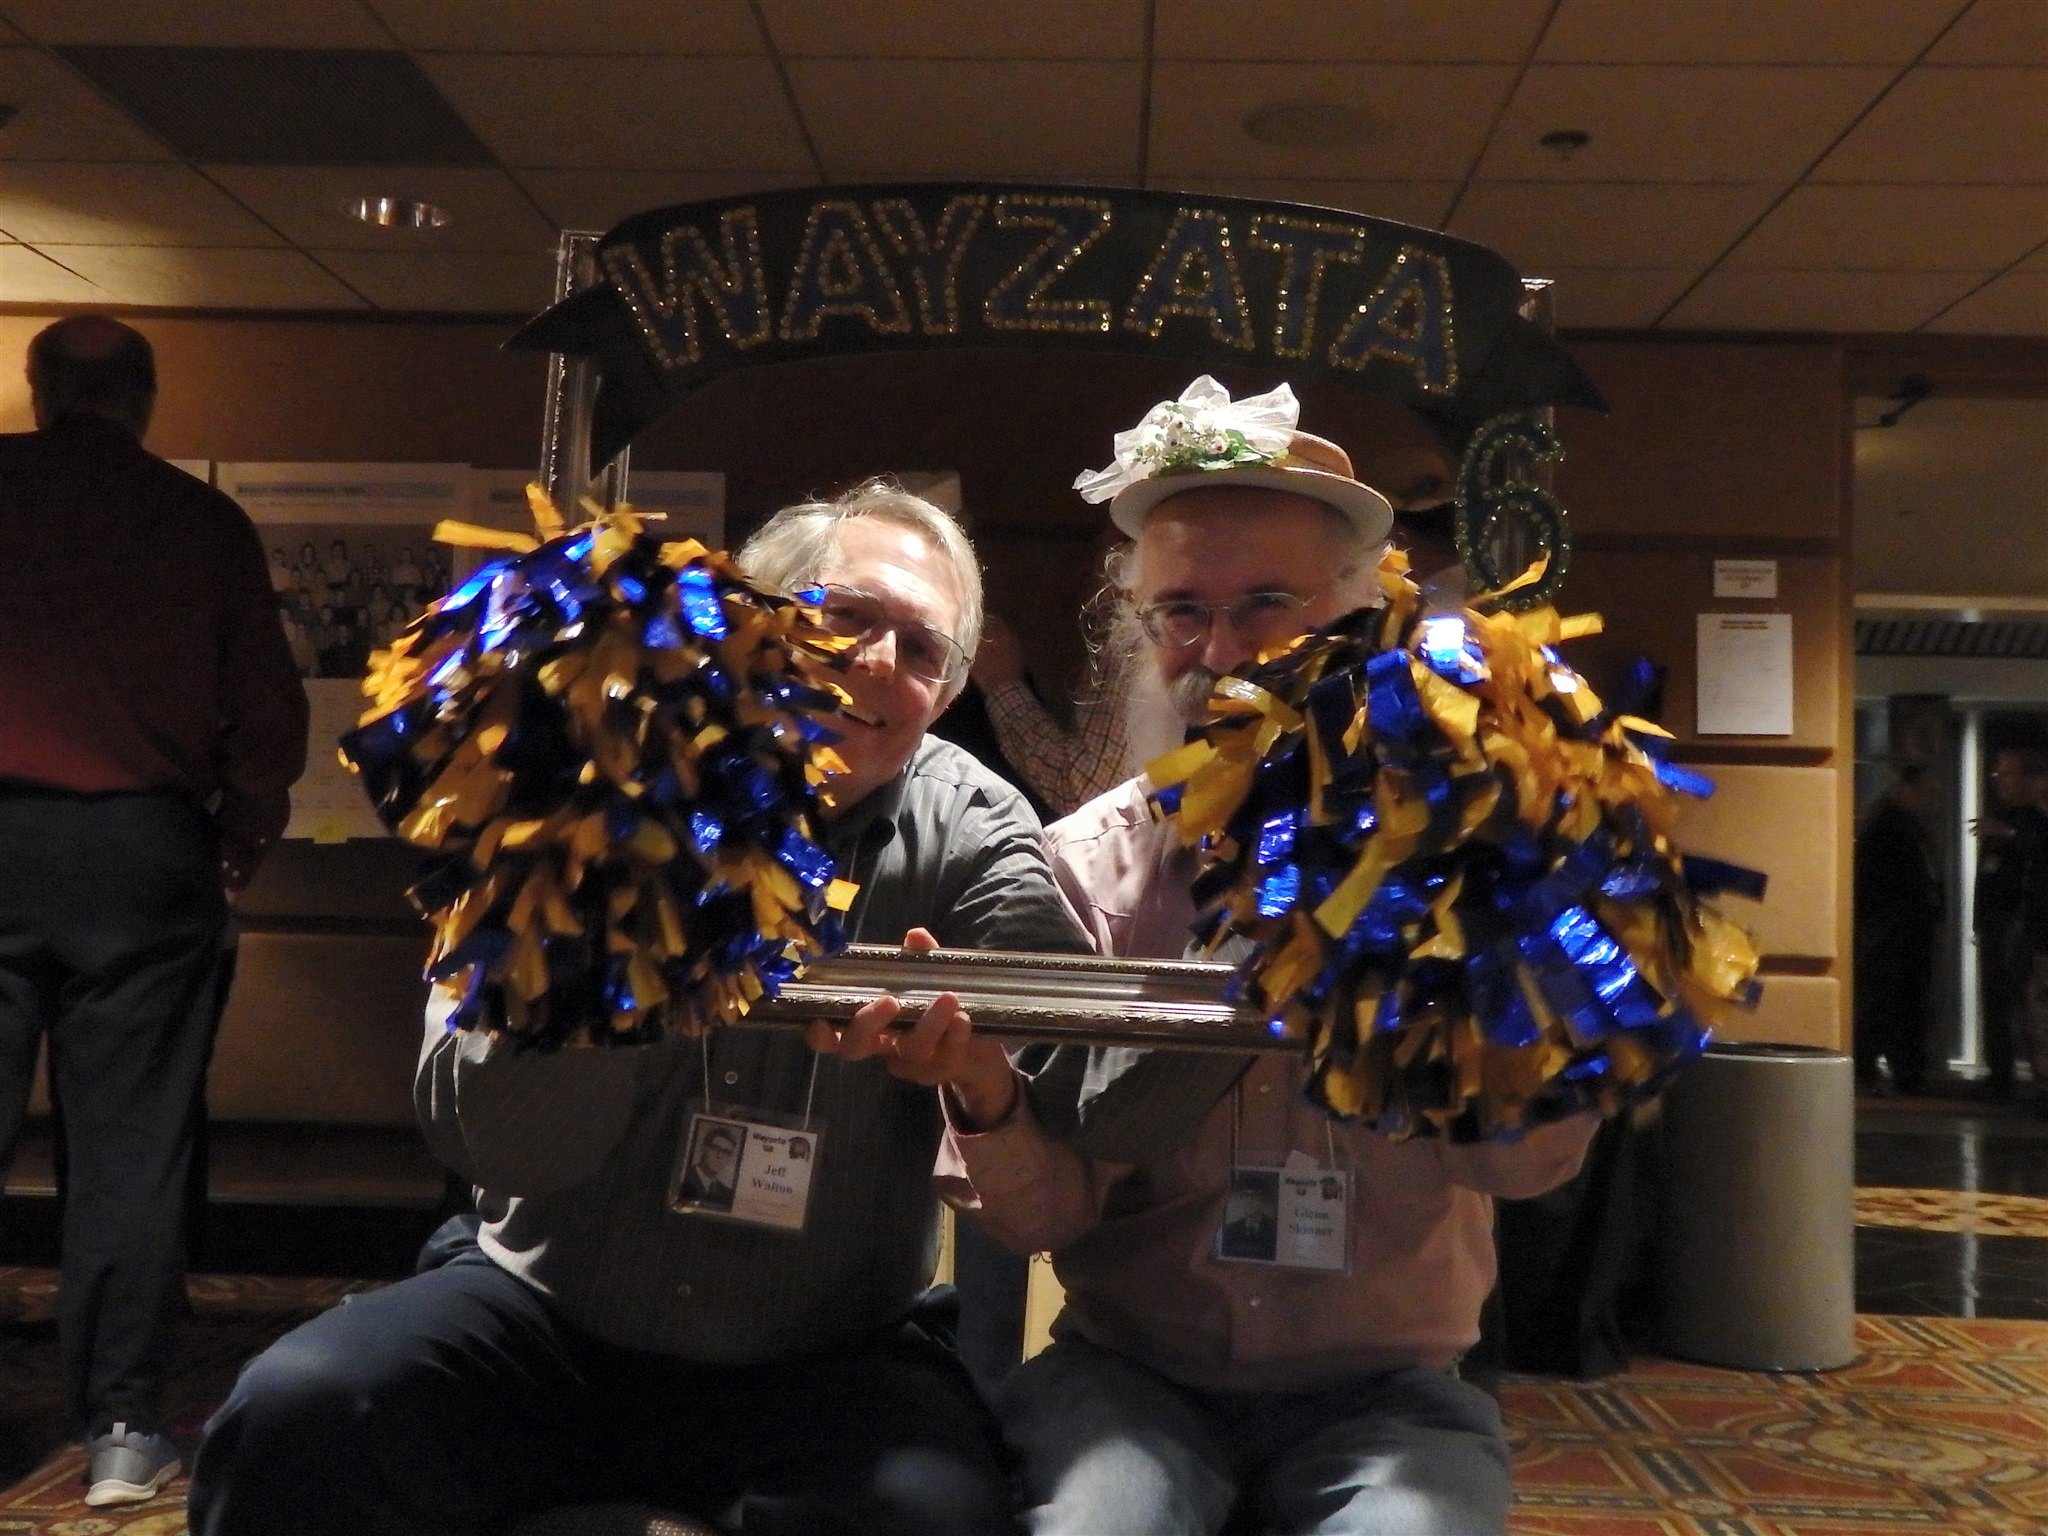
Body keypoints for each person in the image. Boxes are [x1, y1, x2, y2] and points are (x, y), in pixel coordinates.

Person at [188, 480, 1087, 1536]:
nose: (880, 663)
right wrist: (618, 940)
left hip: (827, 1352)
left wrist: (976, 1074)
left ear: (945, 693)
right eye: (846, 618)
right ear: (752, 619)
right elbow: (496, 1141)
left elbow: (1062, 1065)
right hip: (549, 1308)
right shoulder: (587, 769)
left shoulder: (970, 824)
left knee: (932, 1516)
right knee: (298, 1414)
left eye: (922, 649)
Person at [934, 378, 1600, 1536]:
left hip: (1387, 1395)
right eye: (1179, 612)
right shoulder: (1083, 867)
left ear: (1360, 616)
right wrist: (985, 1098)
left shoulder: (1461, 846)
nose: (1219, 649)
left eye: (1264, 605)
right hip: (1130, 1380)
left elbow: (1526, 1168)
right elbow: (1043, 1217)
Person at [0, 315, 308, 1506]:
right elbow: (266, 716)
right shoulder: (201, 521)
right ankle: (123, 1431)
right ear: (143, 400)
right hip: (140, 852)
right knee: (132, 1153)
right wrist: (235, 845)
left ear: (38, 392)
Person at [970, 524, 1134, 816]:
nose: (1085, 570)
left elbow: (1086, 795)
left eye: (1101, 551)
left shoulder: (1134, 637)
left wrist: (1002, 685)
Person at [1855, 763, 1947, 1095]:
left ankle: (1902, 1071)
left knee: (1902, 1001)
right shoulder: (1888, 826)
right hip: (1893, 932)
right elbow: (1877, 883)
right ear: (1906, 790)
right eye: (1926, 793)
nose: (1932, 801)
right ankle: (1885, 1071)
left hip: (1905, 930)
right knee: (1890, 1002)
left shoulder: (1908, 825)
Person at [1971, 748, 2048, 1099]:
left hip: (2020, 928)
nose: (2000, 782)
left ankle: (2034, 1078)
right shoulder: (2003, 818)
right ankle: (2000, 1076)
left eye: (2008, 774)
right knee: (1997, 1004)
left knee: (2029, 1006)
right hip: (1995, 927)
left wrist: (2008, 834)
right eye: (1997, 775)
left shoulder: (2034, 821)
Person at [675, 1119, 744, 1211]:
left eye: (726, 1152)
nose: (720, 1156)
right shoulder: (681, 1179)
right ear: (703, 1148)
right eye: (715, 1148)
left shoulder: (727, 1193)